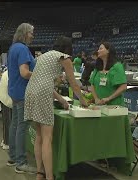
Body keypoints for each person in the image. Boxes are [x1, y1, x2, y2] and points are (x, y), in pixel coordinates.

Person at [24, 36, 88, 180]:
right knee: (47, 138)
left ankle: (40, 173)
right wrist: (83, 101)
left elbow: (41, 82)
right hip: (42, 93)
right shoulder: (64, 58)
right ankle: (49, 176)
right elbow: (74, 84)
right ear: (68, 48)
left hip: (30, 92)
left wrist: (61, 100)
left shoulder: (44, 56)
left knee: (39, 136)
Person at [7, 23, 36, 174]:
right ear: (25, 33)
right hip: (23, 92)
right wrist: (39, 75)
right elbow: (25, 73)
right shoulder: (23, 49)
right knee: (22, 127)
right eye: (31, 33)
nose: (33, 36)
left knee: (15, 125)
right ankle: (21, 162)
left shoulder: (13, 48)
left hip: (14, 91)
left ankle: (13, 157)